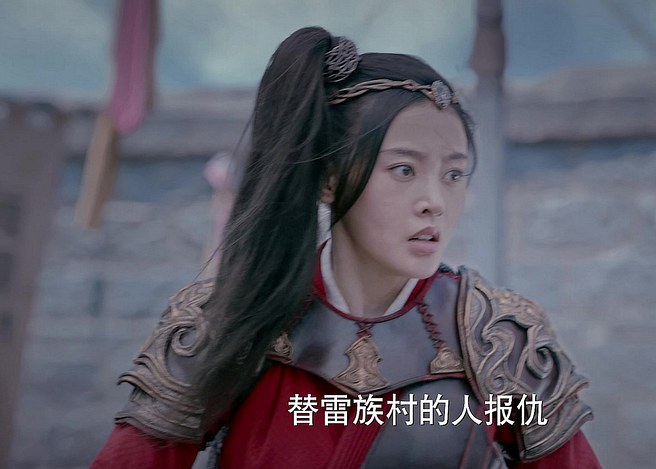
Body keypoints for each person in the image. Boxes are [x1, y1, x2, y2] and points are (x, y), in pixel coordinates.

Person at [92, 26, 601, 468]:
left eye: (453, 174)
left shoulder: (498, 339)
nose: (435, 202)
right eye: (404, 169)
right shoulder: (230, 320)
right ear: (330, 179)